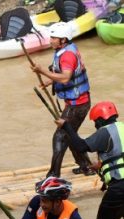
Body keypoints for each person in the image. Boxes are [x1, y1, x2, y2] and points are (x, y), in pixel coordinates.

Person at [59, 101, 124, 219]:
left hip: (119, 187)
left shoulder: (106, 131)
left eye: (96, 123)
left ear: (102, 119)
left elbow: (80, 146)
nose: (96, 127)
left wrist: (67, 126)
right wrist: (101, 166)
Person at [31, 22, 94, 177]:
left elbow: (65, 78)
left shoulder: (67, 55)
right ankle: (86, 166)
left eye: (54, 38)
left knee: (60, 136)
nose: (50, 40)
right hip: (76, 103)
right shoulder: (64, 50)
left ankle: (53, 174)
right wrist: (50, 81)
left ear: (63, 40)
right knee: (70, 136)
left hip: (77, 105)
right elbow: (68, 75)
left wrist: (43, 71)